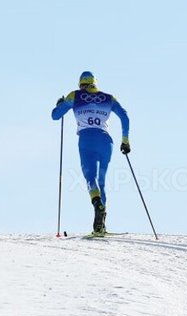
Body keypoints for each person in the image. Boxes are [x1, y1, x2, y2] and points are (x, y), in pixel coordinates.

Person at [51, 71, 131, 234]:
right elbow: (125, 116)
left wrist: (60, 105)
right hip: (106, 142)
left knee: (90, 177)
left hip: (87, 140)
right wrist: (125, 140)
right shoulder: (109, 98)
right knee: (102, 181)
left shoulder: (75, 95)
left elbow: (55, 116)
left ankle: (97, 204)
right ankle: (101, 226)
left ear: (81, 84)